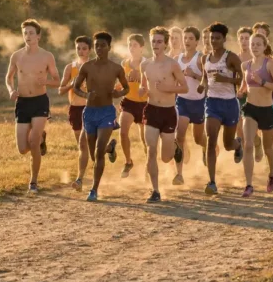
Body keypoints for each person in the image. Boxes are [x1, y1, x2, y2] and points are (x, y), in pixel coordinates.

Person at [72, 32, 129, 201]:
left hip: (107, 112)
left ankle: (94, 190)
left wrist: (118, 93)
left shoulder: (116, 68)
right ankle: (110, 149)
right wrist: (86, 95)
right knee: (93, 155)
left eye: (102, 45)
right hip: (90, 113)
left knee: (98, 153)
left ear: (109, 47)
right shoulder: (87, 67)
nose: (99, 49)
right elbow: (75, 87)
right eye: (96, 45)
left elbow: (126, 88)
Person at [5, 19, 60, 194]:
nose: (28, 36)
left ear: (38, 36)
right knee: (23, 149)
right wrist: (11, 90)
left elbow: (57, 81)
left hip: (39, 102)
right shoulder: (16, 56)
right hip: (22, 102)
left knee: (33, 142)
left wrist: (47, 81)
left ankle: (33, 182)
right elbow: (9, 77)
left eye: (31, 33)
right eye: (25, 33)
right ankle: (41, 137)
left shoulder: (47, 56)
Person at [139, 27, 188, 203]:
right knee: (151, 150)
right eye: (153, 41)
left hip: (168, 112)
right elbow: (144, 86)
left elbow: (184, 87)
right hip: (151, 110)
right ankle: (155, 190)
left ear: (165, 44)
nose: (156, 44)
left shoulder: (172, 64)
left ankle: (175, 147)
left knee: (166, 158)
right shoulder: (145, 65)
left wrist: (168, 88)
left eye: (159, 41)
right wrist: (142, 90)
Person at [199, 22, 244, 195]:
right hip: (212, 103)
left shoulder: (231, 57)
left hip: (230, 103)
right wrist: (202, 86)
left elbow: (242, 79)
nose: (214, 41)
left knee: (227, 144)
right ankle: (211, 182)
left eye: (217, 38)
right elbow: (205, 77)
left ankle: (238, 145)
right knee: (211, 141)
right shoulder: (205, 58)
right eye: (212, 38)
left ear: (224, 39)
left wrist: (226, 80)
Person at [239, 33, 273, 196]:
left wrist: (262, 82)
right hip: (250, 108)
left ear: (265, 46)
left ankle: (272, 173)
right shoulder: (246, 65)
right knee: (248, 144)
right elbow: (245, 84)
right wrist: (241, 91)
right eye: (253, 44)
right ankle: (248, 185)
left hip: (267, 110)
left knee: (268, 148)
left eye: (258, 44)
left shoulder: (270, 64)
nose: (255, 47)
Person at [174, 26, 207, 182]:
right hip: (182, 101)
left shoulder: (201, 58)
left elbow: (207, 81)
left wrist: (193, 74)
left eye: (191, 38)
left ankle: (207, 147)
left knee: (198, 139)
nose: (187, 41)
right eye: (185, 38)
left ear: (197, 42)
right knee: (179, 136)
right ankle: (179, 174)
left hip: (198, 103)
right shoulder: (177, 59)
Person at [117, 34, 148, 178]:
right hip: (129, 102)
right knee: (123, 132)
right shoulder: (124, 63)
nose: (131, 48)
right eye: (130, 45)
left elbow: (153, 82)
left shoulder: (148, 63)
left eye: (135, 45)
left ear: (142, 47)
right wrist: (117, 88)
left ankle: (149, 165)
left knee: (145, 139)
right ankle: (128, 162)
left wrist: (140, 76)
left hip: (145, 104)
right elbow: (122, 83)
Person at [235, 27, 255, 160]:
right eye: (241, 38)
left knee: (251, 129)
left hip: (254, 96)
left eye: (247, 38)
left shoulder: (256, 58)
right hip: (238, 96)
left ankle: (255, 145)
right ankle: (241, 150)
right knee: (239, 126)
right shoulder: (234, 58)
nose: (244, 41)